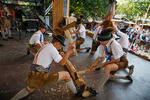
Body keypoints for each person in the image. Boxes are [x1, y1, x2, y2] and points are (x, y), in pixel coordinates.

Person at [11, 35, 78, 100]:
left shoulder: (46, 46)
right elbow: (62, 63)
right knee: (66, 75)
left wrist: (71, 54)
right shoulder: (52, 49)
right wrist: (69, 50)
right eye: (60, 45)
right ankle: (77, 92)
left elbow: (60, 56)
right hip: (39, 78)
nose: (60, 48)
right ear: (57, 43)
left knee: (28, 90)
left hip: (30, 75)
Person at [89, 30, 132, 94]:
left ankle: (96, 90)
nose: (100, 42)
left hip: (122, 61)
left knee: (107, 67)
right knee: (108, 77)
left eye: (102, 41)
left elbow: (117, 60)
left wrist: (104, 63)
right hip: (114, 61)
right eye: (100, 40)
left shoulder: (115, 44)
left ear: (108, 39)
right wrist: (93, 65)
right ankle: (125, 77)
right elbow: (99, 57)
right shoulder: (102, 44)